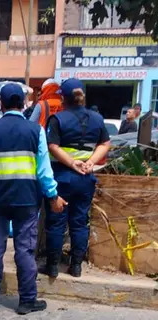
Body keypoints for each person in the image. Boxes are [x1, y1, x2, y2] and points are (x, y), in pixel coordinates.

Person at [0, 83, 60, 315]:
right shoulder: (36, 131)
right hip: (27, 201)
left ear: (0, 103)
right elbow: (44, 170)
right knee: (24, 250)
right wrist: (52, 195)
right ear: (23, 104)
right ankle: (27, 300)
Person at [45, 78, 111, 278]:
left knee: (57, 222)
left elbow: (52, 146)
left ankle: (53, 266)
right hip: (86, 179)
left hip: (62, 177)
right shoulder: (97, 119)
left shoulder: (57, 119)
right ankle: (76, 267)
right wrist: (91, 162)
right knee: (80, 222)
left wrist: (72, 163)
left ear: (63, 98)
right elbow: (105, 144)